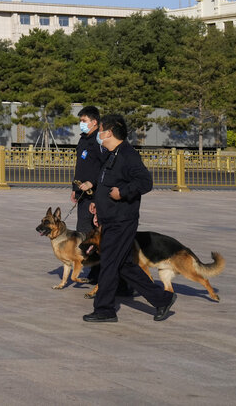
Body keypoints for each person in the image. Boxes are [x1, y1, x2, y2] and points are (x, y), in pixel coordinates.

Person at [83, 114, 176, 323]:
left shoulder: (127, 154)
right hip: (110, 217)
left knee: (108, 263)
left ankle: (104, 309)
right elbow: (106, 183)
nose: (98, 134)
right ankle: (162, 299)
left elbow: (145, 182)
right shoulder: (111, 154)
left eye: (100, 131)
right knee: (123, 264)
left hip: (122, 220)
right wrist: (98, 206)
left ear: (109, 132)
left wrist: (123, 192)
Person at [71, 106, 105, 236]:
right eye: (80, 121)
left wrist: (92, 182)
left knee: (93, 231)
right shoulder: (83, 139)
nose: (81, 124)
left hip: (95, 192)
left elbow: (104, 167)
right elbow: (80, 166)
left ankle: (93, 255)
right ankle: (85, 255)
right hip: (82, 192)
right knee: (83, 227)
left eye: (84, 121)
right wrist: (75, 188)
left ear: (94, 122)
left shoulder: (99, 141)